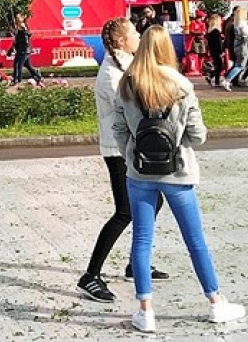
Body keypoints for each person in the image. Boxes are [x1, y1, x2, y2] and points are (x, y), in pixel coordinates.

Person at [115, 26, 246, 332]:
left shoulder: (127, 84)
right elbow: (198, 137)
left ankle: (145, 311)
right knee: (195, 240)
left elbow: (119, 132)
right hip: (178, 172)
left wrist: (132, 154)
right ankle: (215, 302)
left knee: (142, 240)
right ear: (165, 49)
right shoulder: (181, 85)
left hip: (139, 173)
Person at [77, 18, 167, 304]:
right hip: (118, 151)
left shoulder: (126, 64)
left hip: (130, 147)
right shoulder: (111, 76)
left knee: (154, 201)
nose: (139, 36)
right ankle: (91, 276)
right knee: (125, 211)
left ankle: (135, 263)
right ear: (120, 41)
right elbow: (132, 109)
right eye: (134, 33)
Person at [8, 14, 42, 86]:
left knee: (19, 65)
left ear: (22, 18)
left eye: (18, 17)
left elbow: (29, 35)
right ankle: (39, 77)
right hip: (19, 50)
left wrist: (25, 30)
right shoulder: (17, 28)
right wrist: (11, 49)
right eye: (16, 18)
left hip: (25, 51)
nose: (17, 19)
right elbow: (16, 41)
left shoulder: (24, 26)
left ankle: (18, 81)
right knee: (27, 66)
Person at [205, 14, 225, 87]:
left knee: (218, 66)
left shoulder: (209, 32)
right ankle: (212, 77)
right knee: (220, 66)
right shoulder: (216, 32)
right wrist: (221, 52)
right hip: (217, 51)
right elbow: (219, 43)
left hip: (212, 51)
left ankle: (215, 80)